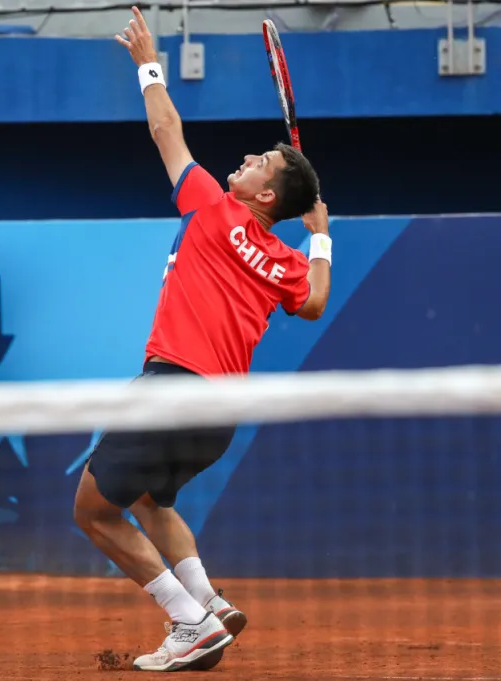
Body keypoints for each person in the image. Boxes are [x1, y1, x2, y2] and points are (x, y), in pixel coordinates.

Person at [73, 7, 331, 673]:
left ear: (264, 193)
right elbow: (314, 303)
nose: (243, 160)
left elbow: (165, 127)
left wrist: (146, 64)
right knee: (152, 500)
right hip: (217, 413)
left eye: (258, 161)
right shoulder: (287, 261)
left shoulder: (212, 206)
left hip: (171, 387)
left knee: (93, 511)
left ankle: (186, 622)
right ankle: (208, 602)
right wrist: (321, 235)